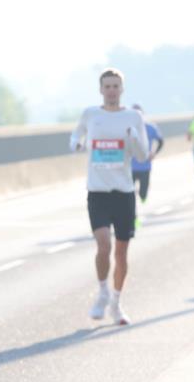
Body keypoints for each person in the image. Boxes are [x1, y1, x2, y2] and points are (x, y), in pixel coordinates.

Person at [70, 68, 149, 326]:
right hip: (98, 192)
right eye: (107, 86)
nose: (112, 90)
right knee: (103, 245)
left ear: (122, 89)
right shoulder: (91, 114)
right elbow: (76, 135)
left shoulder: (133, 117)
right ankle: (102, 291)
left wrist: (134, 138)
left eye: (116, 86)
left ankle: (116, 302)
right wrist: (76, 144)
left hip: (124, 193)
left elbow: (142, 155)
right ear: (101, 90)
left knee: (122, 254)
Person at [129, 104, 164, 205]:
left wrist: (154, 153)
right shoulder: (127, 129)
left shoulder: (150, 128)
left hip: (145, 166)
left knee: (143, 194)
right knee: (129, 194)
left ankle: (142, 196)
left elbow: (161, 141)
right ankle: (133, 213)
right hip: (130, 167)